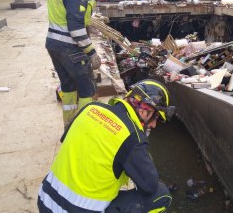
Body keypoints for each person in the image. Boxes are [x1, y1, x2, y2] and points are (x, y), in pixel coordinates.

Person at [37, 79, 176, 213]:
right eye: (156, 117)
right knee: (162, 195)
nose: (153, 125)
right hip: (77, 209)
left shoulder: (90, 108)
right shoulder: (133, 138)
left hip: (45, 201)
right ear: (144, 110)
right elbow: (149, 186)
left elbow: (67, 140)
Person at [45, 0, 103, 129]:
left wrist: (89, 4)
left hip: (53, 44)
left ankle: (69, 126)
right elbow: (77, 28)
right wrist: (91, 52)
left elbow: (65, 8)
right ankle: (83, 130)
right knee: (88, 89)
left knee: (68, 87)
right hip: (70, 47)